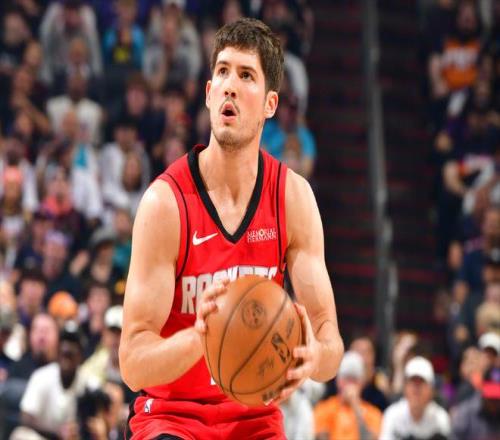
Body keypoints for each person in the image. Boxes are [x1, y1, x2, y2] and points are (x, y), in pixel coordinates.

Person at [120, 17, 344, 439]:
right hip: (172, 418)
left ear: (270, 104)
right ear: (208, 94)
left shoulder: (292, 198)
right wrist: (200, 338)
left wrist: (313, 357)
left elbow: (331, 343)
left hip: (254, 420)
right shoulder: (165, 204)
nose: (230, 86)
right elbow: (132, 365)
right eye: (222, 72)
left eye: (246, 76)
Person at [314, 351, 382, 440]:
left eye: (354, 380)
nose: (350, 384)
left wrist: (357, 409)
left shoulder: (373, 414)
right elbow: (320, 437)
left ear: (362, 383)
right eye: (346, 379)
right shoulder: (324, 408)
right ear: (338, 381)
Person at [380, 356, 451, 440]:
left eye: (421, 383)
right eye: (413, 382)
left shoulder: (440, 418)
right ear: (405, 387)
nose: (416, 389)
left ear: (431, 389)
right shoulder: (392, 415)